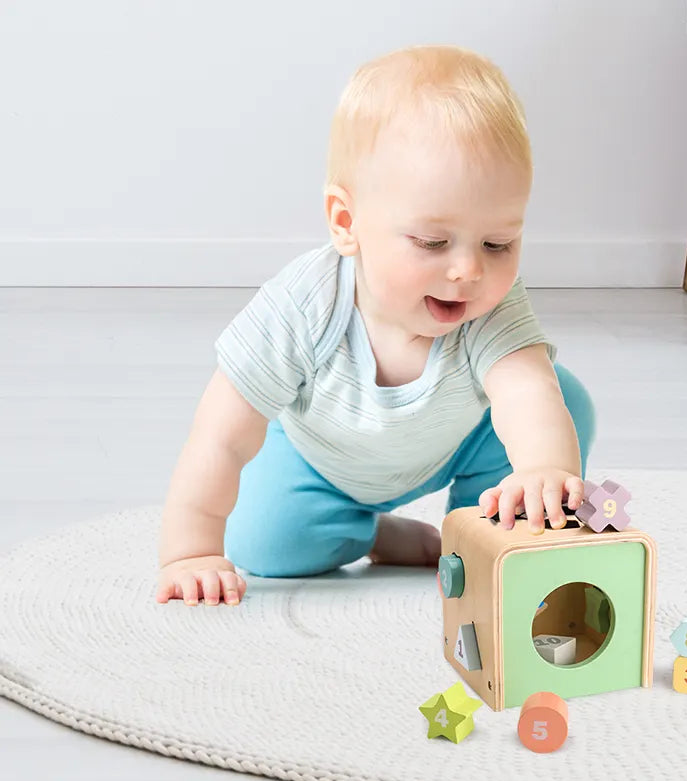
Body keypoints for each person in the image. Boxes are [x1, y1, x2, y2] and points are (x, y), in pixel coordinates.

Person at [156, 44, 595, 606]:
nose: (468, 269)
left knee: (562, 403)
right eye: (433, 242)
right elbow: (218, 436)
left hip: (461, 442)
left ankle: (477, 530)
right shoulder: (300, 308)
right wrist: (190, 552)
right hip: (327, 459)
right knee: (264, 542)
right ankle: (371, 531)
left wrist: (543, 470)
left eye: (498, 242)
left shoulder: (490, 303)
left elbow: (526, 393)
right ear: (347, 223)